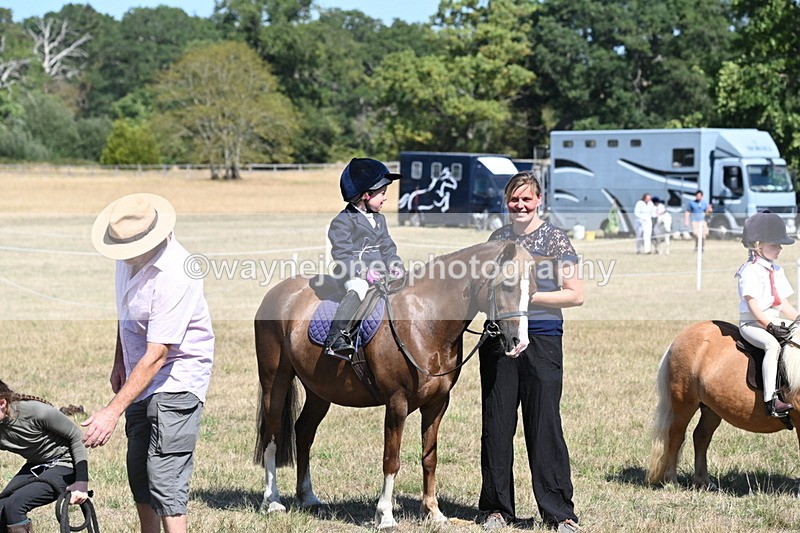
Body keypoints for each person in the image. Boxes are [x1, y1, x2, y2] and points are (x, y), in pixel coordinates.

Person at [84, 193, 214, 533]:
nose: (121, 254)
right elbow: (125, 312)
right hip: (139, 372)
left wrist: (111, 411)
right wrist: (119, 360)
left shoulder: (176, 273)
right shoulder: (126, 258)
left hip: (177, 374)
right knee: (139, 471)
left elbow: (158, 354)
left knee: (164, 475)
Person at [478, 171, 584, 532]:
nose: (520, 205)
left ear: (539, 200)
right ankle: (496, 509)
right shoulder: (497, 239)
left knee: (544, 424)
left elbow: (575, 294)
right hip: (498, 339)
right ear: (506, 202)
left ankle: (559, 512)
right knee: (496, 424)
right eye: (514, 199)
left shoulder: (555, 239)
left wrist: (527, 296)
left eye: (527, 199)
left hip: (542, 338)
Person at [325, 157, 405, 360]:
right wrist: (364, 272)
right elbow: (342, 255)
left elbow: (388, 247)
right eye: (382, 193)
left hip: (380, 274)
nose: (385, 198)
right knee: (359, 288)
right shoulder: (342, 222)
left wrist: (395, 264)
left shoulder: (380, 219)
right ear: (366, 195)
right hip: (352, 275)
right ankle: (336, 338)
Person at [0, 378, 90, 533]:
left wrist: (81, 482)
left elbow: (76, 436)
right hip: (36, 464)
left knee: (14, 505)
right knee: (1, 507)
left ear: (2, 403)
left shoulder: (35, 411)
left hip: (66, 464)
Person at [736, 210, 799, 417]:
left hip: (774, 319)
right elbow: (753, 304)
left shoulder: (777, 270)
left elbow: (782, 304)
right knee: (772, 345)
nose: (780, 248)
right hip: (752, 324)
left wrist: (798, 319)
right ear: (758, 245)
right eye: (774, 245)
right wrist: (769, 326)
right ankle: (771, 400)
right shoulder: (749, 271)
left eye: (780, 245)